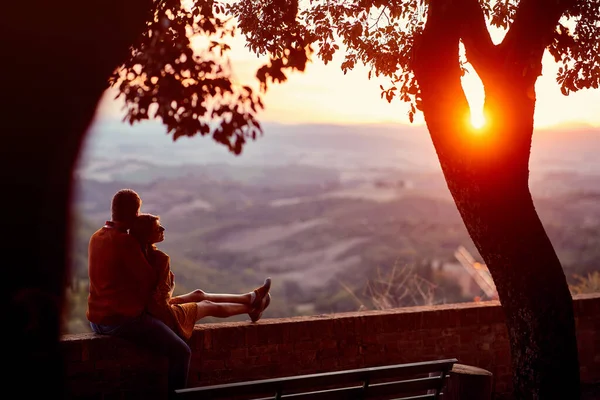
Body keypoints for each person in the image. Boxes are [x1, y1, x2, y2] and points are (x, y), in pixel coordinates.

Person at [86, 189, 192, 398]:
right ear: (135, 213)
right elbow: (152, 284)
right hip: (121, 320)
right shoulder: (125, 242)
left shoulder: (96, 236)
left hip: (96, 319)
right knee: (182, 352)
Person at [129, 212, 272, 341]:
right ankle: (252, 309)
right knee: (208, 306)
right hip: (163, 316)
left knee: (198, 294)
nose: (163, 230)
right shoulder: (160, 259)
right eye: (157, 228)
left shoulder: (136, 255)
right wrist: (171, 287)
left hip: (151, 310)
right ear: (147, 237)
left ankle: (251, 298)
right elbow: (161, 300)